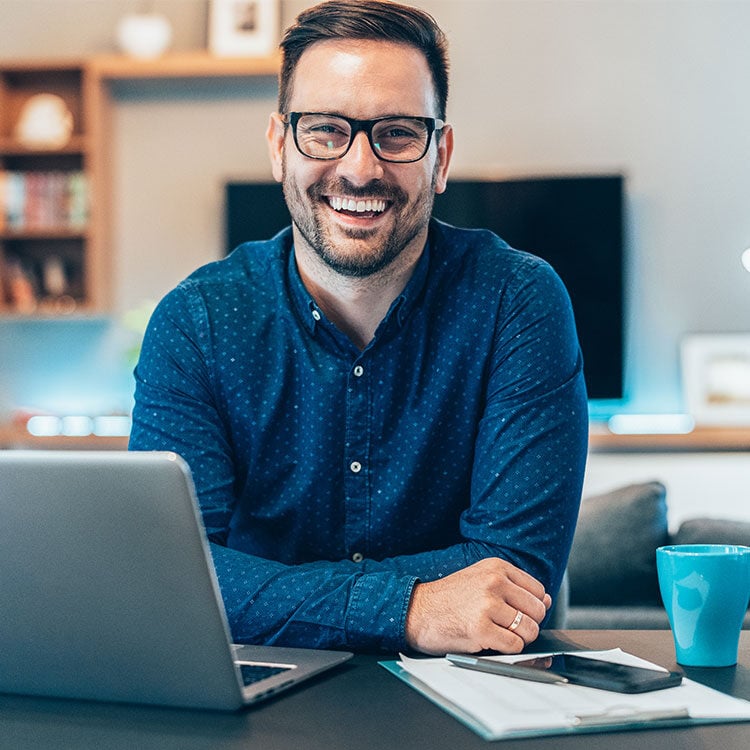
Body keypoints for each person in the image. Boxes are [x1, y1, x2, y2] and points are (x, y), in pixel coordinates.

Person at [129, 0, 588, 656]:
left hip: (470, 700)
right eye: (325, 131)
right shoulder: (197, 322)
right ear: (278, 146)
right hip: (260, 696)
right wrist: (410, 607)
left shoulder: (519, 303)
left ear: (441, 154)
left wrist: (262, 592)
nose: (360, 167)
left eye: (397, 132)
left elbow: (514, 574)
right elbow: (169, 574)